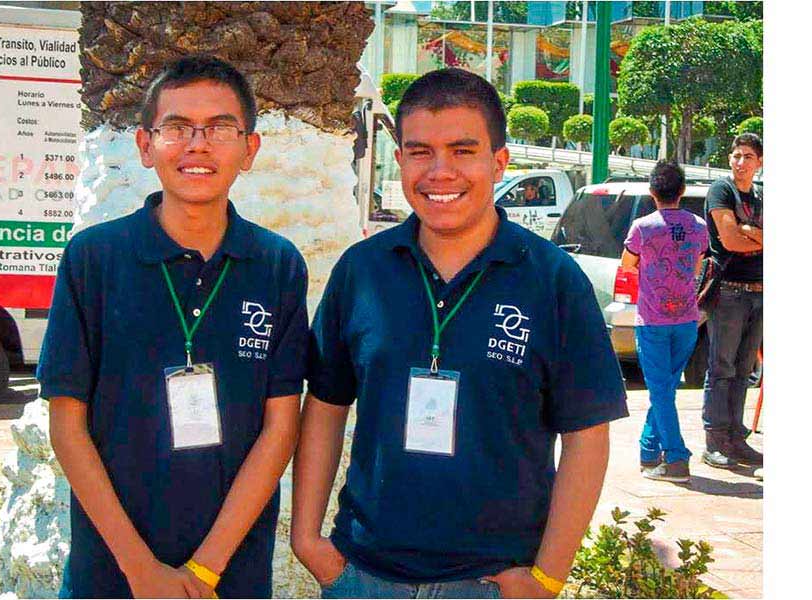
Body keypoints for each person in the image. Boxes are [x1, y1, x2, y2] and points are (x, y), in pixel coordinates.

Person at [292, 68, 628, 599]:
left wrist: (547, 578)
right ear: (399, 160)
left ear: (499, 162)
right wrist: (306, 539)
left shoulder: (552, 279)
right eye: (420, 151)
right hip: (362, 575)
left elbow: (587, 437)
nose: (439, 172)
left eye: (463, 150)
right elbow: (326, 405)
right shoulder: (363, 270)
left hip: (493, 582)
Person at [38, 55, 308, 598]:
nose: (198, 145)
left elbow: (280, 429)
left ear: (249, 149)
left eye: (220, 128)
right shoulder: (95, 259)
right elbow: (68, 426)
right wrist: (141, 570)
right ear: (145, 145)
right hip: (111, 573)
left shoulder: (277, 265)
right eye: (177, 128)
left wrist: (204, 570)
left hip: (230, 573)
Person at [620, 160, 708, 483]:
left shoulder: (642, 227)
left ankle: (676, 458)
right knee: (665, 388)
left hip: (653, 320)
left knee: (660, 390)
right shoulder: (698, 225)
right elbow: (698, 263)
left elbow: (628, 264)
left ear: (652, 191)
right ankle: (647, 451)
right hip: (687, 320)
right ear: (682, 191)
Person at [701, 133, 763, 468]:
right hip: (728, 291)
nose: (741, 162)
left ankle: (736, 439)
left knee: (743, 371)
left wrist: (749, 230)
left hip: (760, 291)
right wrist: (752, 234)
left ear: (760, 162)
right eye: (737, 155)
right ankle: (715, 440)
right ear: (729, 158)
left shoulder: (762, 196)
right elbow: (729, 240)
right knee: (721, 368)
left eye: (748, 157)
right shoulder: (720, 191)